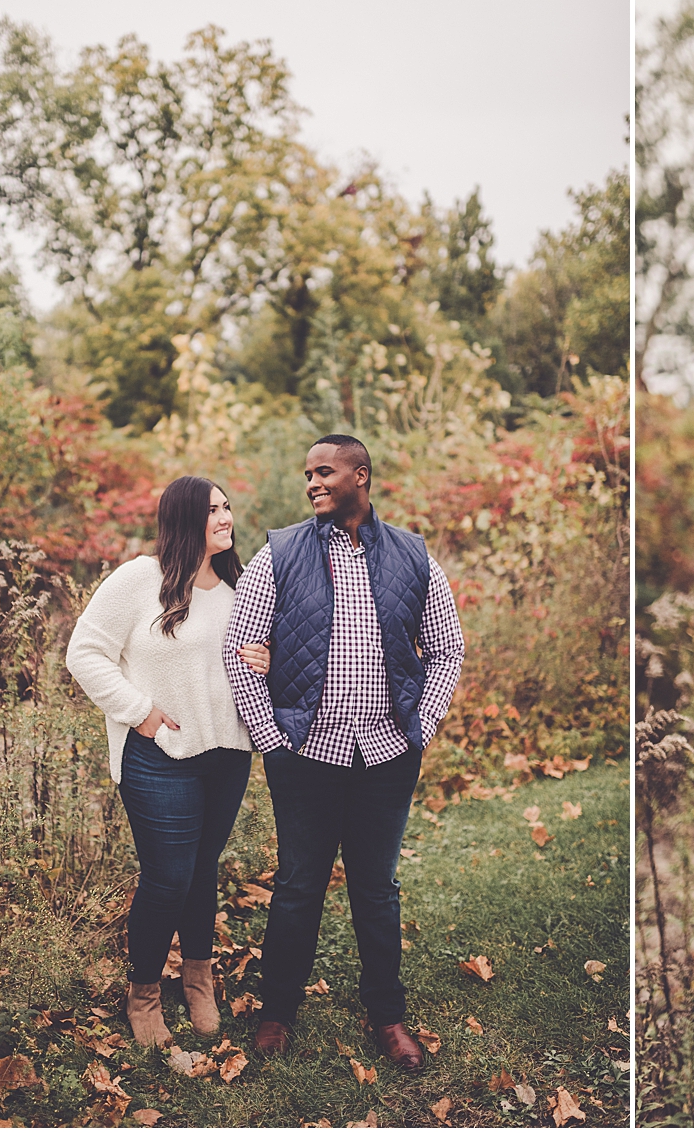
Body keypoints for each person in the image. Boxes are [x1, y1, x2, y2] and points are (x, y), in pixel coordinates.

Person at [222, 433, 465, 1069]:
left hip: (387, 755)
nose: (312, 483)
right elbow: (238, 650)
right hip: (306, 756)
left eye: (324, 471)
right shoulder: (279, 553)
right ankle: (277, 1012)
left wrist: (423, 724)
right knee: (299, 886)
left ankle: (386, 1017)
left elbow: (446, 646)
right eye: (308, 474)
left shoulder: (413, 555)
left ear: (362, 473)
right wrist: (272, 737)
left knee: (377, 890)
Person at [66, 476, 271, 1048]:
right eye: (213, 511)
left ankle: (198, 978)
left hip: (226, 753)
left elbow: (261, 659)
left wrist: (269, 658)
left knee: (203, 869)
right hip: (159, 756)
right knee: (167, 878)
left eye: (229, 507)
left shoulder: (241, 584)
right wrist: (140, 712)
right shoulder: (139, 579)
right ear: (183, 519)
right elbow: (83, 652)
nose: (226, 518)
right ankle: (144, 991)